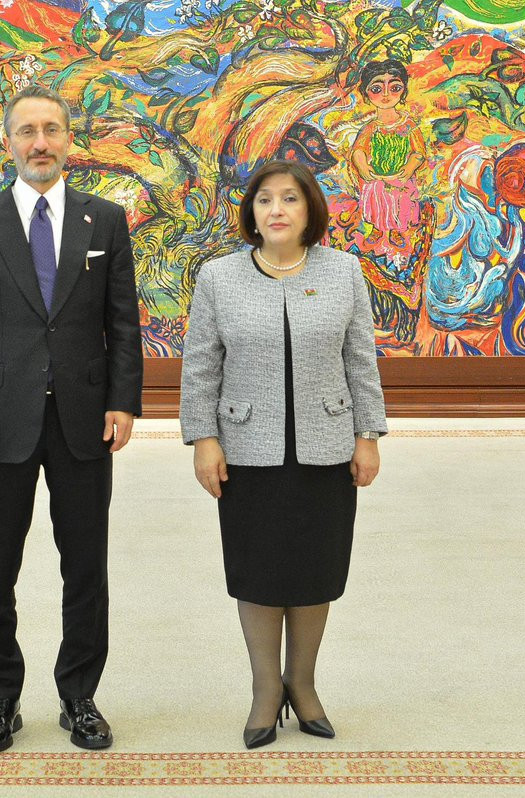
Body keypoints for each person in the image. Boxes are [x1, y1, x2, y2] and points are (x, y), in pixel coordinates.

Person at [0, 85, 143, 753]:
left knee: (85, 567)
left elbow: (122, 321)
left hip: (85, 418)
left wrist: (123, 400)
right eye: (27, 131)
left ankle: (79, 695)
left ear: (69, 140)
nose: (40, 143)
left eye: (52, 129)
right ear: (8, 143)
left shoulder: (104, 220)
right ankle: (0, 698)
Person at [179, 159, 387, 749]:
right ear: (251, 210)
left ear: (309, 209)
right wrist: (203, 438)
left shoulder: (344, 271)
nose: (277, 209)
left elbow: (360, 359)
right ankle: (266, 688)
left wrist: (368, 435)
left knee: (315, 569)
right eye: (265, 198)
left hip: (328, 446)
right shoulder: (219, 277)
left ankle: (304, 683)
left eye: (290, 198)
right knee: (259, 571)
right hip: (246, 448)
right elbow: (201, 365)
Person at [349, 59, 426, 254]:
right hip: (377, 178)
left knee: (399, 205)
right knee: (377, 205)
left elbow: (419, 152)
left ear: (403, 92)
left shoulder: (409, 126)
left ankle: (396, 231)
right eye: (376, 89)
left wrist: (409, 168)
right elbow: (358, 150)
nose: (386, 95)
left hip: (400, 179)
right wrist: (363, 167)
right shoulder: (370, 128)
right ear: (366, 94)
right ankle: (377, 228)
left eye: (394, 88)